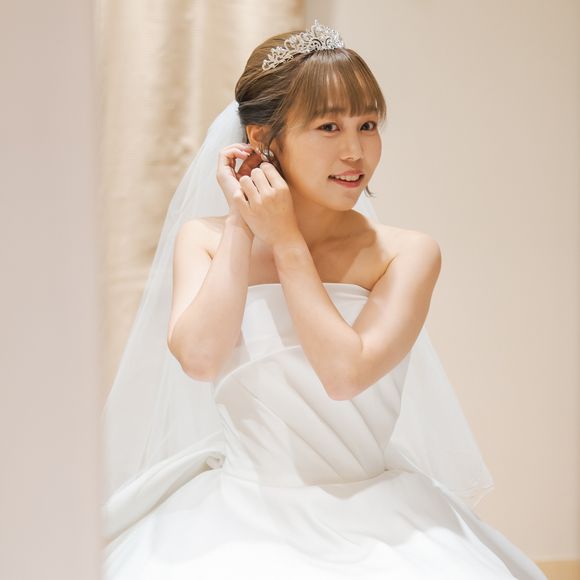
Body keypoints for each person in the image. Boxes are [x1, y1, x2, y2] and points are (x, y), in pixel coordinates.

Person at [101, 20, 547, 579]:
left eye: (368, 124)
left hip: (372, 516)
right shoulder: (205, 239)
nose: (355, 150)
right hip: (239, 513)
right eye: (329, 126)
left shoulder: (407, 253)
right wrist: (242, 222)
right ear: (263, 138)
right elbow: (200, 359)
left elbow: (343, 375)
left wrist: (287, 241)